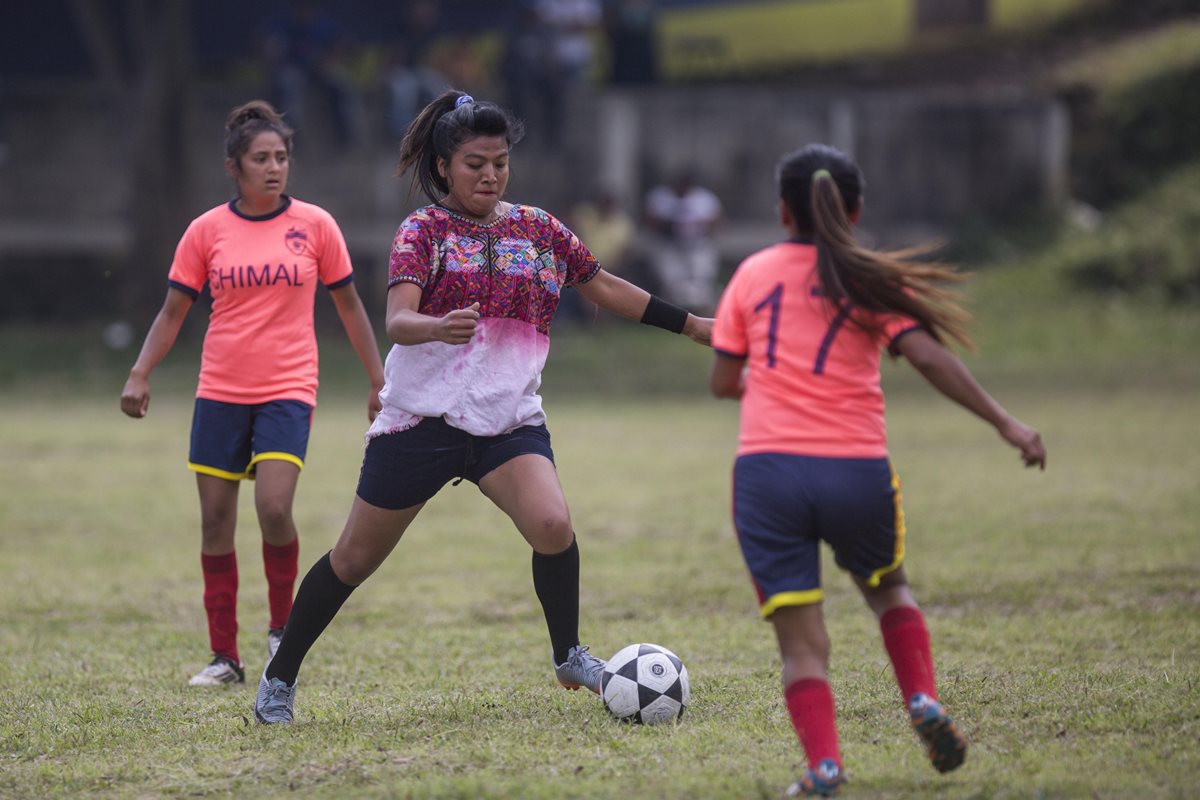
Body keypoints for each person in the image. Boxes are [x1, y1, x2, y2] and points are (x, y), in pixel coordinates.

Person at [254, 89, 712, 724]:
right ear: (444, 166)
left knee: (553, 525)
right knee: (353, 559)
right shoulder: (423, 231)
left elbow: (603, 285)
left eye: (500, 162)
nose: (490, 175)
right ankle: (279, 678)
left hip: (507, 422)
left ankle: (569, 655)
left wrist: (693, 326)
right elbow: (397, 319)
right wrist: (436, 327)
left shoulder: (538, 229)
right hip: (422, 422)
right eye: (475, 163)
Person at [708, 144, 1046, 796]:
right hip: (855, 470)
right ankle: (921, 698)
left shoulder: (752, 274)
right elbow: (930, 359)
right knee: (889, 589)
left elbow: (724, 382)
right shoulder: (868, 277)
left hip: (769, 476)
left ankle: (825, 767)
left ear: (782, 212)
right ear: (856, 210)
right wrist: (1007, 423)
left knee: (801, 645)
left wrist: (765, 377)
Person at [119, 100, 385, 688]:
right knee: (215, 521)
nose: (274, 167)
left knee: (274, 509)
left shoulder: (315, 225)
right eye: (261, 158)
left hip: (289, 387)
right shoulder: (205, 231)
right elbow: (172, 312)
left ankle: (282, 630)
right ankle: (224, 657)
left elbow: (349, 306)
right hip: (220, 389)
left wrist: (377, 379)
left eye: (281, 157)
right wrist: (140, 372)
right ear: (233, 167)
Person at [644, 168, 723, 315]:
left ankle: (701, 313)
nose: (683, 187)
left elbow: (716, 222)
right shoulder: (661, 197)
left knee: (701, 278)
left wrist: (696, 225)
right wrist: (672, 223)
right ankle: (671, 314)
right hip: (669, 245)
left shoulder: (704, 198)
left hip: (698, 245)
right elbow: (651, 221)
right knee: (672, 281)